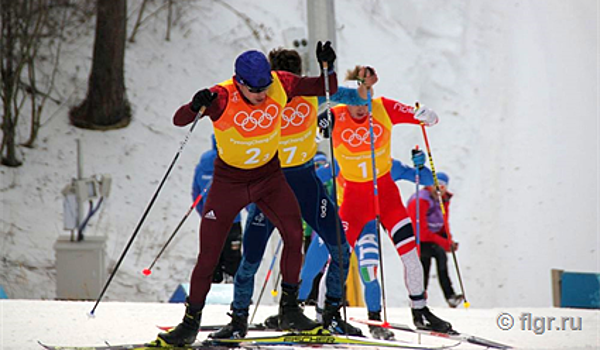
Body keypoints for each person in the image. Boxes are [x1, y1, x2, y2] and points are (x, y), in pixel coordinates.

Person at [153, 42, 338, 347]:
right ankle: (189, 324)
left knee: (293, 235)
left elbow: (326, 87)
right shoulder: (221, 96)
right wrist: (194, 104)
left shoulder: (281, 83)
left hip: (269, 178)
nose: (263, 94)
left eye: (266, 86)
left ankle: (290, 310)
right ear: (239, 82)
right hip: (229, 183)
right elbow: (179, 120)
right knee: (209, 256)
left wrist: (327, 66)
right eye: (255, 90)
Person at [209, 49, 377, 339]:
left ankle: (328, 316)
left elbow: (357, 97)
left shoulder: (314, 93)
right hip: (272, 182)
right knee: (252, 254)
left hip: (302, 181)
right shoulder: (263, 98)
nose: (290, 84)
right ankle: (239, 321)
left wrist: (363, 83)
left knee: (338, 247)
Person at [318, 66, 453, 333]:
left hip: (387, 197)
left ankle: (420, 310)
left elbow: (428, 119)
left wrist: (427, 115)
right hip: (354, 202)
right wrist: (321, 119)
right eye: (353, 100)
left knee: (410, 254)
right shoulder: (335, 115)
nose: (360, 106)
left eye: (365, 97)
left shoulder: (384, 108)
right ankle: (326, 313)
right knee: (338, 259)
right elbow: (317, 128)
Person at [299, 156, 434, 340]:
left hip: (367, 227)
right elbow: (312, 179)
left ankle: (374, 321)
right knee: (312, 269)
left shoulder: (388, 164)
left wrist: (420, 166)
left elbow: (426, 179)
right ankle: (298, 312)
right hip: (340, 222)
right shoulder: (344, 160)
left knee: (369, 272)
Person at [406, 171, 463, 308]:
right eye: (435, 185)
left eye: (442, 187)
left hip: (432, 238)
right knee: (435, 258)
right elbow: (421, 231)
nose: (439, 189)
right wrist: (444, 243)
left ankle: (421, 298)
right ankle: (444, 296)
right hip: (418, 239)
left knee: (427, 264)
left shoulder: (442, 200)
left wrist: (448, 240)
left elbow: (443, 223)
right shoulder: (421, 200)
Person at [192, 134, 242, 283]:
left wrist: (204, 213)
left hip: (210, 218)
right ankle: (234, 288)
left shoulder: (202, 165)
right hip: (232, 218)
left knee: (211, 253)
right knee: (233, 255)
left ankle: (211, 286)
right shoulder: (234, 163)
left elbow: (196, 193)